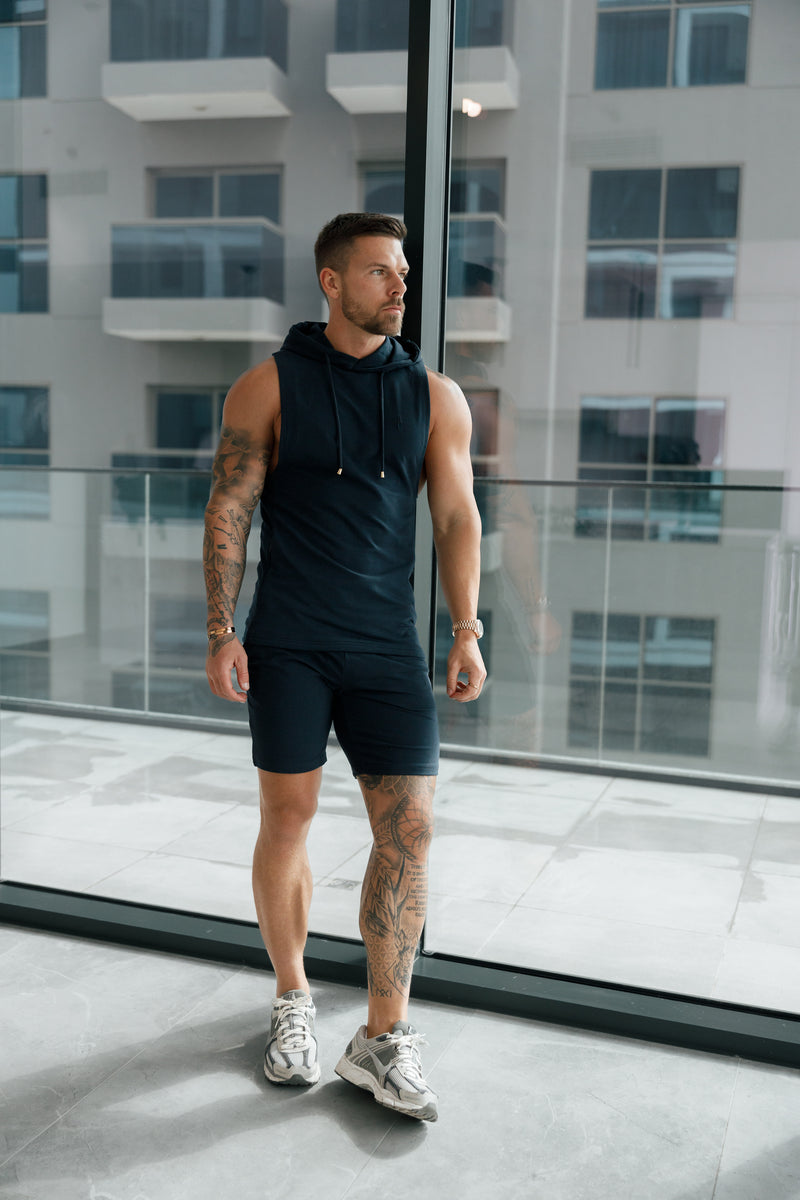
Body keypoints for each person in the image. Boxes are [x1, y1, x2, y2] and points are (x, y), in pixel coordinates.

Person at [203, 212, 485, 1123]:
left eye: (401, 271)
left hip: (386, 646)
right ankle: (292, 997)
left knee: (411, 829)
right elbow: (230, 507)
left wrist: (467, 628)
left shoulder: (436, 395)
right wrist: (221, 628)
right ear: (331, 283)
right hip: (287, 640)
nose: (400, 286)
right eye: (378, 272)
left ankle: (381, 1037)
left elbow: (457, 516)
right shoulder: (268, 385)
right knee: (287, 818)